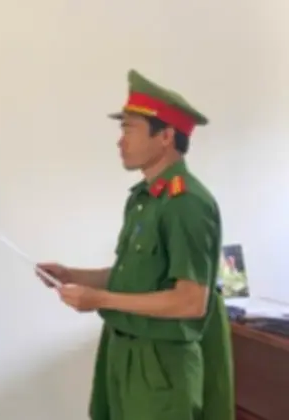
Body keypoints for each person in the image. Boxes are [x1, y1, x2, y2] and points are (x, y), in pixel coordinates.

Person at [37, 70, 234, 420]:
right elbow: (135, 276)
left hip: (162, 367)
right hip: (124, 353)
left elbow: (191, 300)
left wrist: (100, 300)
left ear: (166, 136)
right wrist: (72, 275)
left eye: (129, 129)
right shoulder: (144, 199)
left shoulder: (187, 203)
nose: (120, 141)